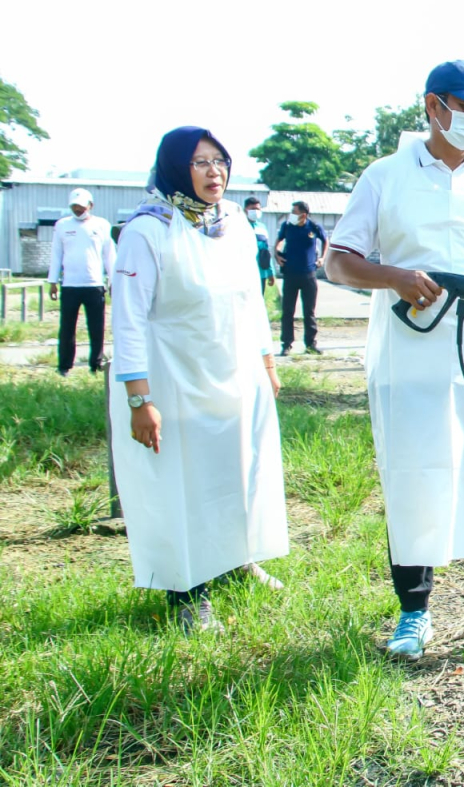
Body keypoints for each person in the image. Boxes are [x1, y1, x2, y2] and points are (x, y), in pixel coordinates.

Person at [326, 60, 464, 663]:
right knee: (414, 473)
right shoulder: (385, 176)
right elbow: (338, 261)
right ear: (434, 106)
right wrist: (392, 276)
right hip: (411, 351)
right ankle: (413, 615)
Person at [111, 126, 287, 633]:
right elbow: (128, 319)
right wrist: (138, 398)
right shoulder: (147, 229)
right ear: (174, 168)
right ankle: (187, 591)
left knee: (235, 470)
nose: (215, 173)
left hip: (233, 371)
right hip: (174, 377)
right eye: (201, 163)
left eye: (221, 161)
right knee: (181, 483)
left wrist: (266, 363)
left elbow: (249, 297)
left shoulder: (230, 222)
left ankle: (236, 557)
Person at [47, 188, 115, 376]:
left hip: (94, 284)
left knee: (96, 326)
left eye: (81, 207)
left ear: (90, 205)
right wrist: (52, 281)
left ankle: (96, 363)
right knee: (67, 327)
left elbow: (109, 255)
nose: (78, 210)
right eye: (74, 207)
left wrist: (113, 281)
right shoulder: (62, 225)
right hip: (70, 285)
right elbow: (56, 254)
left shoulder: (101, 225)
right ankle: (64, 366)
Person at [275, 201, 326, 355]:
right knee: (288, 310)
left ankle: (310, 344)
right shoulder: (287, 226)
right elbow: (278, 242)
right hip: (290, 273)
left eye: (294, 211)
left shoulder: (314, 227)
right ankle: (286, 344)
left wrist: (322, 258)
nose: (291, 214)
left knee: (309, 311)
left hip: (309, 274)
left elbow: (325, 241)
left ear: (303, 214)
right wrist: (276, 254)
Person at [245, 196, 275, 294]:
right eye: (253, 209)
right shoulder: (239, 225)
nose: (256, 211)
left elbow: (266, 252)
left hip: (260, 273)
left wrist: (270, 272)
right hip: (244, 273)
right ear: (246, 210)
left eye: (258, 209)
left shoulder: (262, 227)